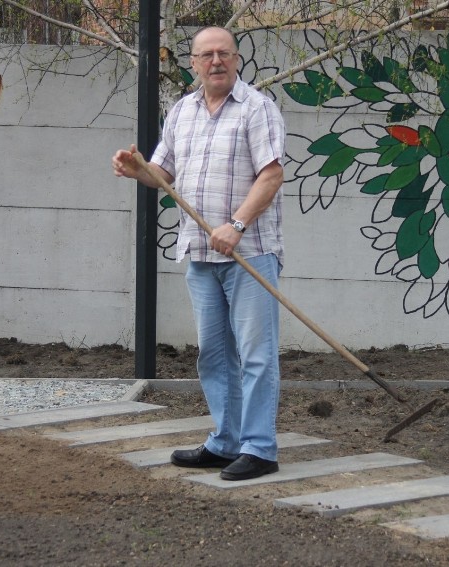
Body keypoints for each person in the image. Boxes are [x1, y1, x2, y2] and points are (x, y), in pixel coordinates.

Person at [111, 26, 285, 481]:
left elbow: (270, 175)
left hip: (251, 253)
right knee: (213, 354)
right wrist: (137, 170)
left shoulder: (257, 109)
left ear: (237, 59)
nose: (215, 62)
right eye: (206, 55)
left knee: (256, 354)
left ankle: (260, 448)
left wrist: (237, 225)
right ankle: (226, 442)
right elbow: (162, 173)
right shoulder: (182, 112)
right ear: (193, 63)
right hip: (200, 252)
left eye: (223, 53)